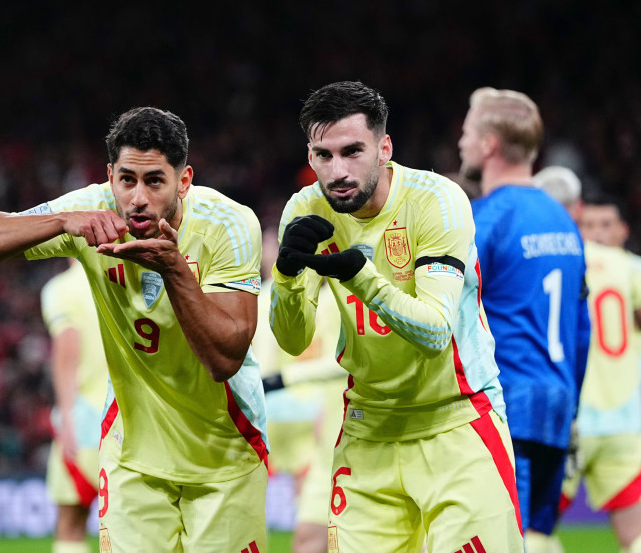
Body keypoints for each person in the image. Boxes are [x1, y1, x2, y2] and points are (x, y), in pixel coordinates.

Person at [0, 107, 268, 553]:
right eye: (126, 180)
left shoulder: (230, 224)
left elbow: (224, 359)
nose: (137, 197)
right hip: (131, 456)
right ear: (109, 176)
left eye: (154, 181)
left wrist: (175, 269)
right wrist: (61, 222)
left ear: (184, 180)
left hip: (225, 451)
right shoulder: (93, 209)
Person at [270, 81, 522, 553]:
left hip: (458, 423)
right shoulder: (303, 209)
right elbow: (291, 337)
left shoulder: (435, 201)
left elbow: (434, 331)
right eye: (323, 156)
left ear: (384, 148)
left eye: (352, 151)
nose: (338, 171)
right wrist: (285, 277)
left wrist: (360, 276)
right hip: (370, 432)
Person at [459, 90, 590, 553]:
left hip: (503, 410)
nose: (461, 142)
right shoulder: (564, 220)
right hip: (556, 407)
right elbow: (580, 329)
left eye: (468, 131)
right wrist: (570, 405)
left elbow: (450, 323)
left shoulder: (483, 220)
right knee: (537, 541)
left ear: (489, 144)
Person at [533, 168, 641, 553]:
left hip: (565, 418)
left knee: (535, 531)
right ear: (578, 211)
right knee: (635, 534)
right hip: (624, 421)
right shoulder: (629, 268)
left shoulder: (550, 263)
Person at [254, 225, 346, 553]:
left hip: (314, 414)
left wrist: (283, 382)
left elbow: (340, 361)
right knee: (307, 534)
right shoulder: (263, 295)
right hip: (285, 411)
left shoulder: (333, 296)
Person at [41, 259, 108, 553]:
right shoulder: (124, 278)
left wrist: (66, 415)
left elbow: (68, 345)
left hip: (84, 418)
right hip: (127, 417)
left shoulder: (62, 289)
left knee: (70, 523)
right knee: (127, 525)